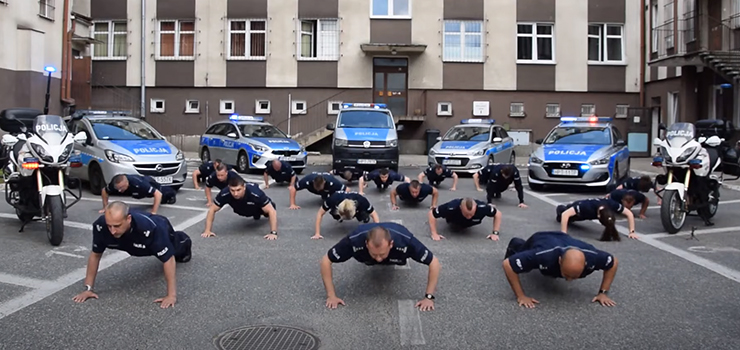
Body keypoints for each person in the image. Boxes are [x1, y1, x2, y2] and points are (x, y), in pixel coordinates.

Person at [73, 201, 192, 309]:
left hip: (158, 228)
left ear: (128, 219)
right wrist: (88, 289)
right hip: (131, 243)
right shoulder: (100, 226)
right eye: (109, 225)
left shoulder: (151, 229)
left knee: (175, 250)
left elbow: (168, 260)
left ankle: (185, 241)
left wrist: (171, 295)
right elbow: (95, 255)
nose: (112, 231)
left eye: (117, 226)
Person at [321, 222, 441, 311]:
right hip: (365, 258)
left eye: (382, 254)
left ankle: (382, 255)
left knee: (389, 259)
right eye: (374, 254)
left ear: (391, 244)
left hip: (396, 255)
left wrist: (429, 297)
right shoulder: (354, 240)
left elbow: (434, 263)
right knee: (372, 260)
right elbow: (326, 260)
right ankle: (376, 255)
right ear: (366, 244)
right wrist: (331, 296)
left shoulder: (405, 240)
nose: (378, 258)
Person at [502, 231, 619, 308]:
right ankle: (515, 243)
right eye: (567, 275)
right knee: (520, 251)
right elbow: (508, 265)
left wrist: (603, 293)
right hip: (542, 238)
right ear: (559, 261)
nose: (568, 280)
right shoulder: (543, 255)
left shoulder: (593, 257)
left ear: (585, 263)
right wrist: (521, 296)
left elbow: (613, 262)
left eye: (574, 276)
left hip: (564, 238)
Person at [201, 176, 278, 240]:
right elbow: (212, 209)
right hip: (242, 209)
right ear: (229, 188)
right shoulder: (225, 193)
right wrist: (207, 230)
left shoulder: (255, 193)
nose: (235, 193)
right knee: (243, 211)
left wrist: (273, 233)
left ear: (244, 187)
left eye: (238, 190)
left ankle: (258, 213)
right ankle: (255, 214)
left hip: (257, 206)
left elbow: (272, 211)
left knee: (268, 211)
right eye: (232, 190)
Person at [556, 197, 638, 241]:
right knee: (562, 213)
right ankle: (560, 207)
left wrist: (632, 231)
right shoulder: (586, 207)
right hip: (577, 211)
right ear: (598, 217)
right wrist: (564, 233)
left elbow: (629, 214)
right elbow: (565, 215)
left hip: (592, 211)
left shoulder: (612, 205)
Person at [427, 197, 502, 241]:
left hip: (469, 224)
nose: (469, 216)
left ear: (476, 207)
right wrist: (434, 233)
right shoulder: (451, 207)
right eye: (466, 214)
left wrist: (495, 233)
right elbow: (431, 214)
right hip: (454, 222)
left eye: (471, 214)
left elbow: (498, 214)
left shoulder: (482, 207)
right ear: (460, 208)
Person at [313, 191, 379, 240]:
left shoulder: (361, 200)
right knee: (333, 212)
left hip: (358, 210)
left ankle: (362, 216)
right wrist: (317, 233)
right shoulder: (333, 199)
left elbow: (374, 215)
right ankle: (338, 217)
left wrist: (377, 234)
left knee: (364, 217)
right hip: (338, 208)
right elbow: (320, 213)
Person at [100, 174, 177, 215]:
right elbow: (104, 190)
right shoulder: (116, 184)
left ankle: (171, 194)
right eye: (118, 189)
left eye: (121, 188)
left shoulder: (138, 182)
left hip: (150, 185)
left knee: (166, 194)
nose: (119, 191)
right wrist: (105, 207)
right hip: (138, 193)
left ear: (126, 182)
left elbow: (158, 194)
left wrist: (153, 212)